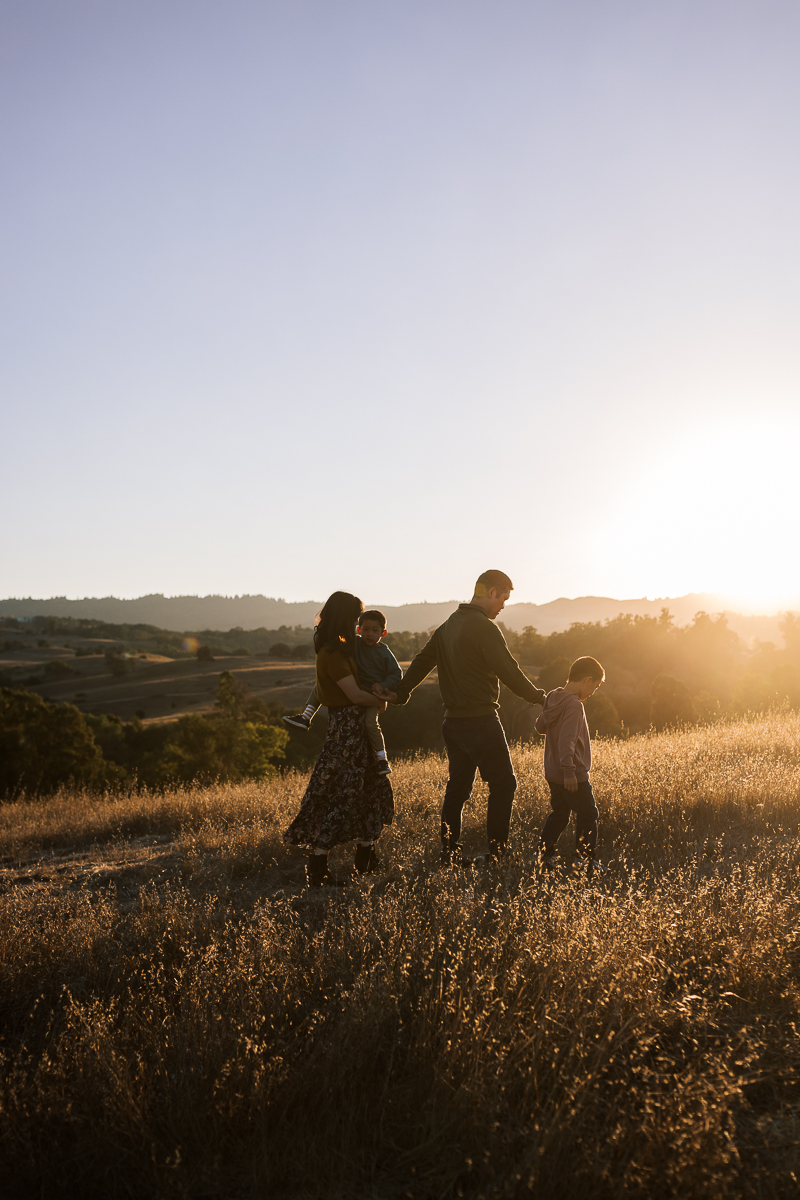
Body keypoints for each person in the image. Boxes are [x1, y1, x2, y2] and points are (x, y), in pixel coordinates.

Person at [382, 569, 546, 865]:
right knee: (504, 784)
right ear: (491, 592)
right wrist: (539, 698)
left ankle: (449, 853)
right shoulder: (483, 627)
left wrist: (401, 693)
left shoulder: (449, 625)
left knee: (457, 789)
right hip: (480, 720)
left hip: (453, 724)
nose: (503, 606)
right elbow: (508, 670)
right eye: (503, 598)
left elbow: (422, 660)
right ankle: (497, 854)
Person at [283, 591, 394, 886]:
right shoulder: (332, 654)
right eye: (357, 617)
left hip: (357, 731)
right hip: (347, 732)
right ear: (347, 618)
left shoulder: (344, 649)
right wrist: (380, 700)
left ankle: (366, 856)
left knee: (369, 791)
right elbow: (355, 695)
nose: (360, 623)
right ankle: (318, 867)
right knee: (339, 795)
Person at [282, 610, 402, 775]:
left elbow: (397, 674)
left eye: (375, 631)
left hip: (373, 694)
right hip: (354, 685)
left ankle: (382, 760)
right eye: (365, 629)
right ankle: (305, 717)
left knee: (370, 724)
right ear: (358, 630)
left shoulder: (384, 653)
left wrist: (383, 686)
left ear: (384, 633)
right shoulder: (355, 643)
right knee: (323, 683)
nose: (369, 634)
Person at [535, 656, 605, 875]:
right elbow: (568, 740)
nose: (593, 692)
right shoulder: (574, 704)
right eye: (595, 686)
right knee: (589, 814)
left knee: (560, 814)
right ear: (587, 680)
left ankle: (543, 858)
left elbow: (539, 726)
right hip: (571, 773)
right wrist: (570, 771)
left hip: (553, 772)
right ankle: (584, 863)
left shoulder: (554, 697)